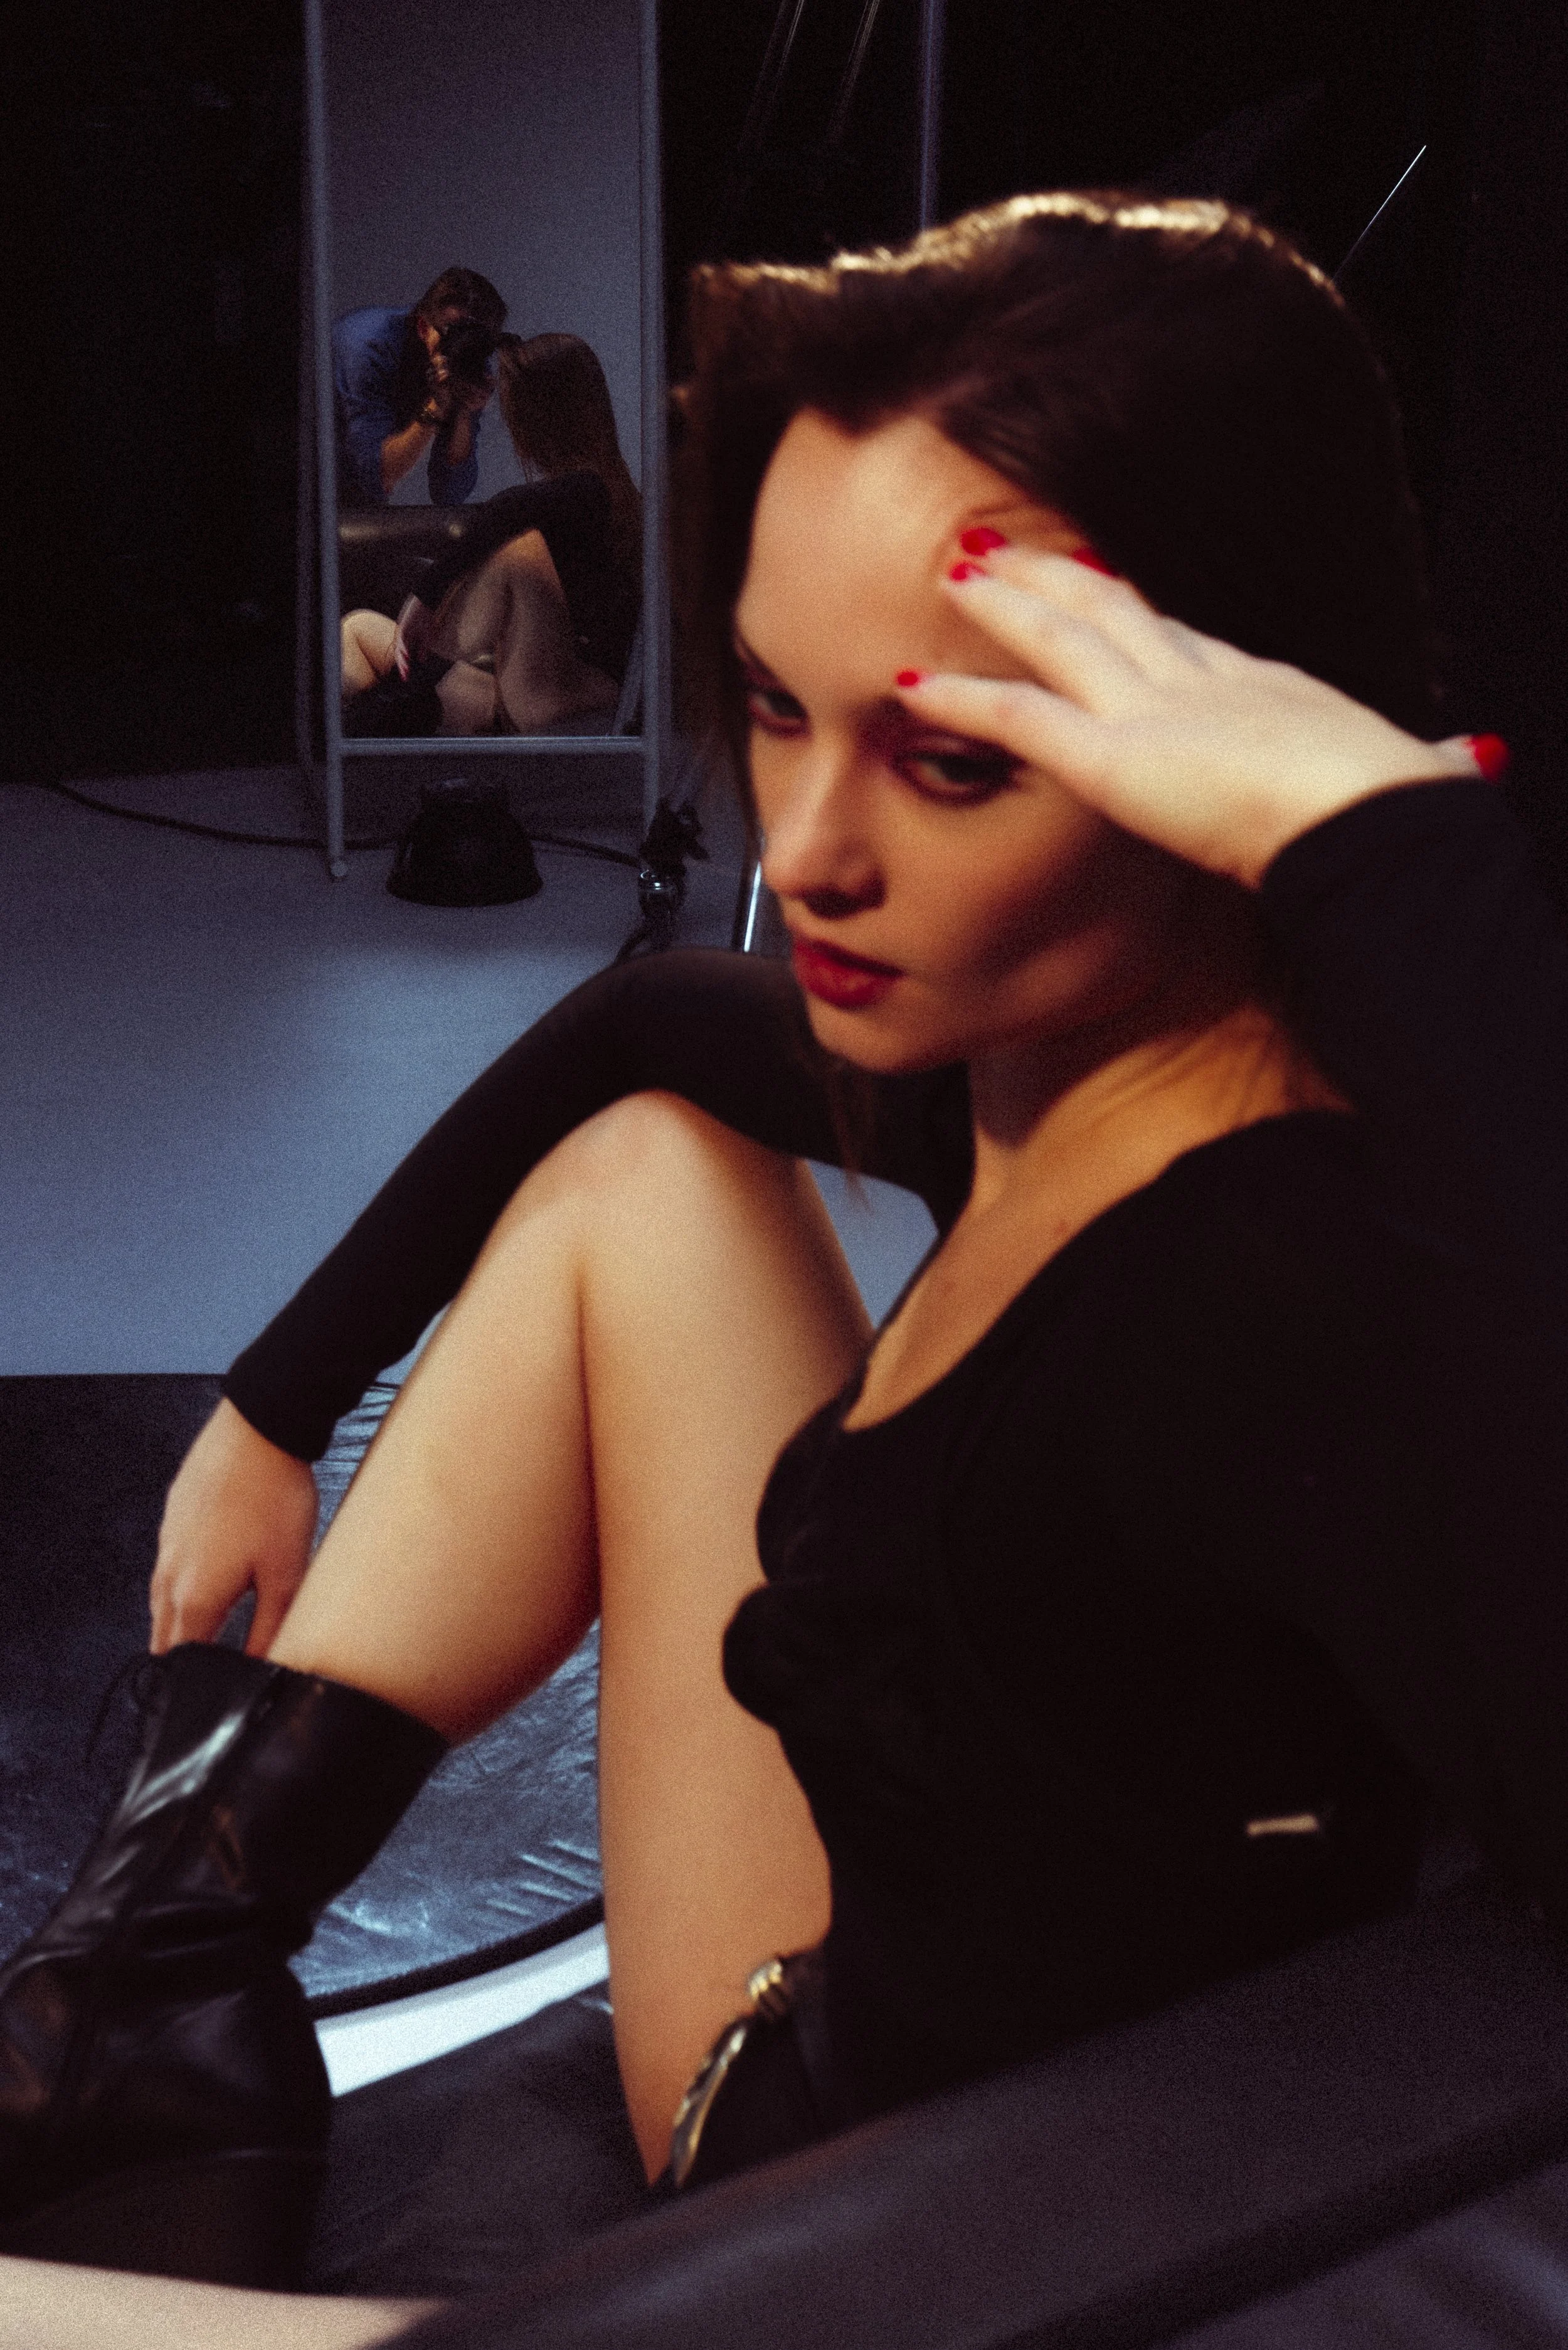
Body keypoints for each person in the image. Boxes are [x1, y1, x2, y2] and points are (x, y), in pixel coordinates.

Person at [3, 190, 1564, 2345]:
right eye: (772, 710)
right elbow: (639, 1029)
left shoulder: (1271, 1287)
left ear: (1220, 738)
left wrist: (1388, 840)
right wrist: (270, 1413)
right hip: (865, 2030)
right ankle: (143, 1996)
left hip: (869, 2254)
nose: (809, 849)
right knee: (651, 1178)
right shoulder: (1031, 1057)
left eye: (950, 756)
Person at [340, 332, 640, 736]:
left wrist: (424, 598)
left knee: (519, 551)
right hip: (516, 691)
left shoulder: (594, 492)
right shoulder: (594, 494)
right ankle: (386, 721)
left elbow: (508, 509)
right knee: (356, 628)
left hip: (566, 693)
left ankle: (398, 703)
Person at [333, 267, 506, 511]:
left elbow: (450, 493)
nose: (463, 347)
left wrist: (464, 414)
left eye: (478, 340)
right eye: (452, 333)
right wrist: (436, 408)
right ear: (424, 327)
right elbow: (375, 479)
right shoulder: (369, 347)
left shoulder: (469, 358)